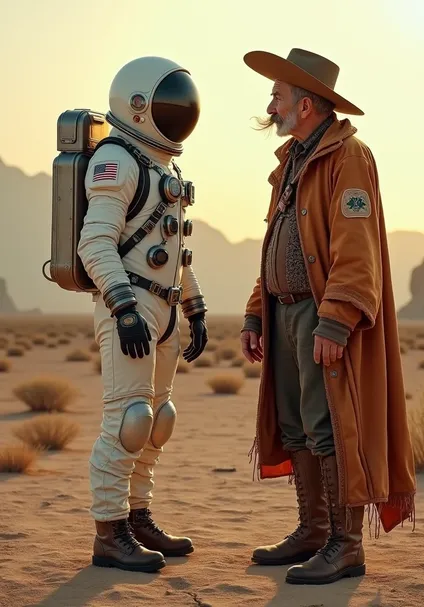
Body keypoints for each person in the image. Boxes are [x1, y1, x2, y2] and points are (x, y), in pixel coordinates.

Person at [240, 48, 416, 585]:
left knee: (327, 426)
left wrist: (336, 319)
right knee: (295, 423)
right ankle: (313, 531)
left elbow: (355, 247)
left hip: (319, 317)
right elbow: (277, 243)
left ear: (308, 104)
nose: (270, 104)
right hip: (285, 314)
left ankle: (345, 544)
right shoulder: (293, 160)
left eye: (278, 96)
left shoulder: (349, 157)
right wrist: (255, 313)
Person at [77, 56, 208, 573]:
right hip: (130, 306)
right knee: (128, 420)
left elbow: (175, 248)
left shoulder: (163, 166)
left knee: (157, 421)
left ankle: (138, 515)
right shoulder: (118, 160)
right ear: (138, 105)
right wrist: (123, 306)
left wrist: (193, 306)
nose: (181, 113)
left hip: (165, 306)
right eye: (170, 103)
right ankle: (110, 532)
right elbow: (95, 242)